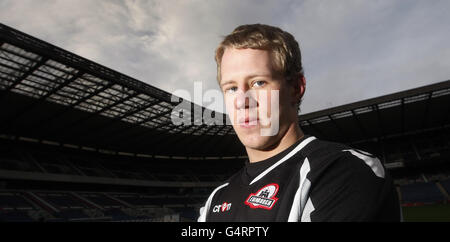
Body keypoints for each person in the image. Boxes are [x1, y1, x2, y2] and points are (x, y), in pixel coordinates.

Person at [197, 24, 401, 222]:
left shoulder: (344, 171)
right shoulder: (217, 198)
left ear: (296, 88)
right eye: (231, 88)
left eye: (258, 83)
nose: (242, 102)